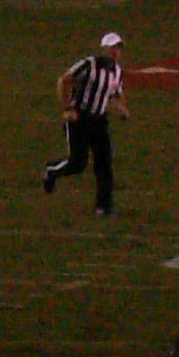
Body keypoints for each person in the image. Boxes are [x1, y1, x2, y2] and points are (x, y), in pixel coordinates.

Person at [44, 31, 128, 217]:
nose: (116, 52)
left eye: (118, 48)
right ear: (104, 49)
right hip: (80, 119)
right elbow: (64, 81)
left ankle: (103, 207)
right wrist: (67, 108)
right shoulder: (89, 65)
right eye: (112, 48)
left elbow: (114, 93)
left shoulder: (117, 71)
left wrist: (122, 109)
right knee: (77, 163)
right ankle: (52, 172)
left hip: (99, 121)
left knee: (104, 164)